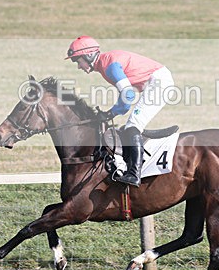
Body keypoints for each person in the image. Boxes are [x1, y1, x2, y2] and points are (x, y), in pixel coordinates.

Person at [65, 36, 173, 187]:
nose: (78, 66)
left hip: (159, 82)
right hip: (158, 81)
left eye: (77, 60)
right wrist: (113, 112)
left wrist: (110, 114)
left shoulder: (109, 66)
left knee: (132, 125)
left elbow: (128, 95)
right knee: (132, 125)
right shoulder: (105, 64)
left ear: (88, 55)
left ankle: (134, 174)